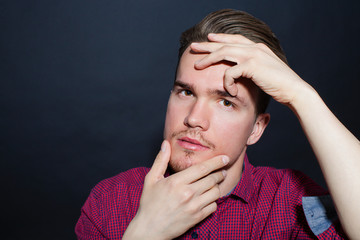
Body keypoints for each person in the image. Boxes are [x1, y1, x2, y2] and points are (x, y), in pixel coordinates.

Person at [75, 9, 360, 239]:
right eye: (186, 92)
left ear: (257, 128)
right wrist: (144, 233)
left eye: (226, 102)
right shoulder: (110, 202)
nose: (194, 118)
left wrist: (302, 96)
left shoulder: (289, 204)